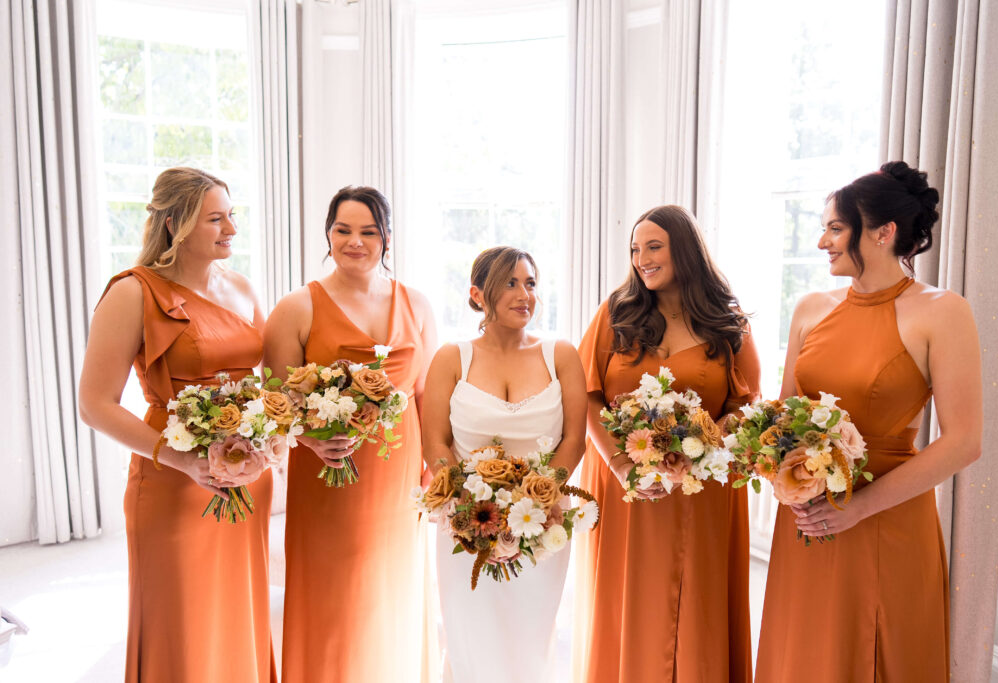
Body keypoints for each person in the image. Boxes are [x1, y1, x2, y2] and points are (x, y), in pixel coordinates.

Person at [755, 161, 982, 681]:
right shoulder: (810, 308)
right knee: (804, 655)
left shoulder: (943, 312)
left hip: (887, 518)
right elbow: (781, 417)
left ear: (883, 233)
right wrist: (783, 477)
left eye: (835, 228)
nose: (822, 242)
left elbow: (965, 441)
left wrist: (857, 509)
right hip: (810, 517)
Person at [78, 167, 275, 682]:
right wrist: (183, 460)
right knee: (181, 623)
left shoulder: (242, 288)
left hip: (245, 478)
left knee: (237, 612)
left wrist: (268, 445)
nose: (231, 229)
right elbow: (95, 403)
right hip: (172, 480)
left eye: (231, 215)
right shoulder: (132, 293)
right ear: (174, 223)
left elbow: (270, 386)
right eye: (216, 218)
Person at [574, 205, 759, 683]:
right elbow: (587, 395)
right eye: (635, 249)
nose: (641, 259)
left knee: (698, 603)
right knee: (629, 600)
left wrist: (698, 449)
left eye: (653, 246)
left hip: (704, 489)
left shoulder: (727, 320)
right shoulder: (617, 312)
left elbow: (746, 403)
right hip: (626, 487)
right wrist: (621, 464)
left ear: (685, 249)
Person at [264, 186, 436, 683]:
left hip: (399, 472)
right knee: (334, 588)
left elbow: (427, 393)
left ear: (386, 237)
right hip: (327, 468)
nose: (354, 241)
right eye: (343, 230)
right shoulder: (296, 307)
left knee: (391, 585)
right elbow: (275, 402)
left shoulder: (416, 304)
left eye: (368, 231)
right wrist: (310, 439)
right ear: (328, 233)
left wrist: (434, 468)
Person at [419, 246, 587, 683]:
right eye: (510, 283)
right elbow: (435, 441)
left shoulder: (561, 355)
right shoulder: (450, 358)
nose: (524, 294)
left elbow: (575, 439)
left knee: (530, 637)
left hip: (542, 521)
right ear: (478, 295)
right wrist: (466, 506)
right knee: (469, 634)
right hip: (465, 523)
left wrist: (541, 497)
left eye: (530, 283)